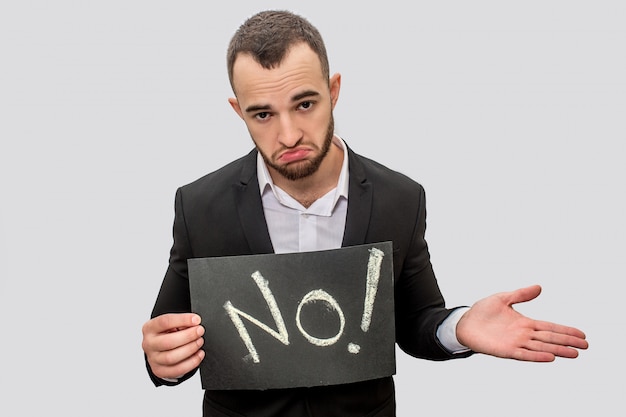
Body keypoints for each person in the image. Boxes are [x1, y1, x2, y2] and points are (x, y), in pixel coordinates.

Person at [141, 9, 588, 416]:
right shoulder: (199, 205)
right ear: (238, 112)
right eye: (262, 114)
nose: (289, 133)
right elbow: (170, 341)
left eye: (305, 103)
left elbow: (415, 322)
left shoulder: (400, 198)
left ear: (333, 91)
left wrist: (460, 326)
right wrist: (161, 360)